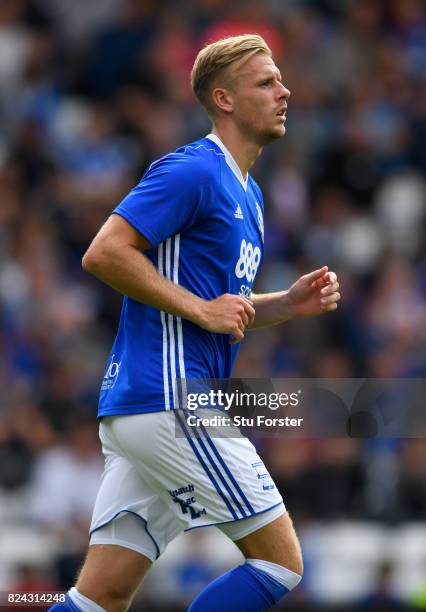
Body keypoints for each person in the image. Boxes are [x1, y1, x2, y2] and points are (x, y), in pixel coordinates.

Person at [49, 34, 341, 612]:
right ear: (223, 98)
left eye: (280, 80)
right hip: (172, 400)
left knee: (101, 596)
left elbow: (221, 307)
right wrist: (201, 307)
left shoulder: (250, 195)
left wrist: (284, 304)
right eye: (266, 82)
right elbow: (104, 252)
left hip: (144, 408)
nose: (285, 91)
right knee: (280, 562)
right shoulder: (193, 169)